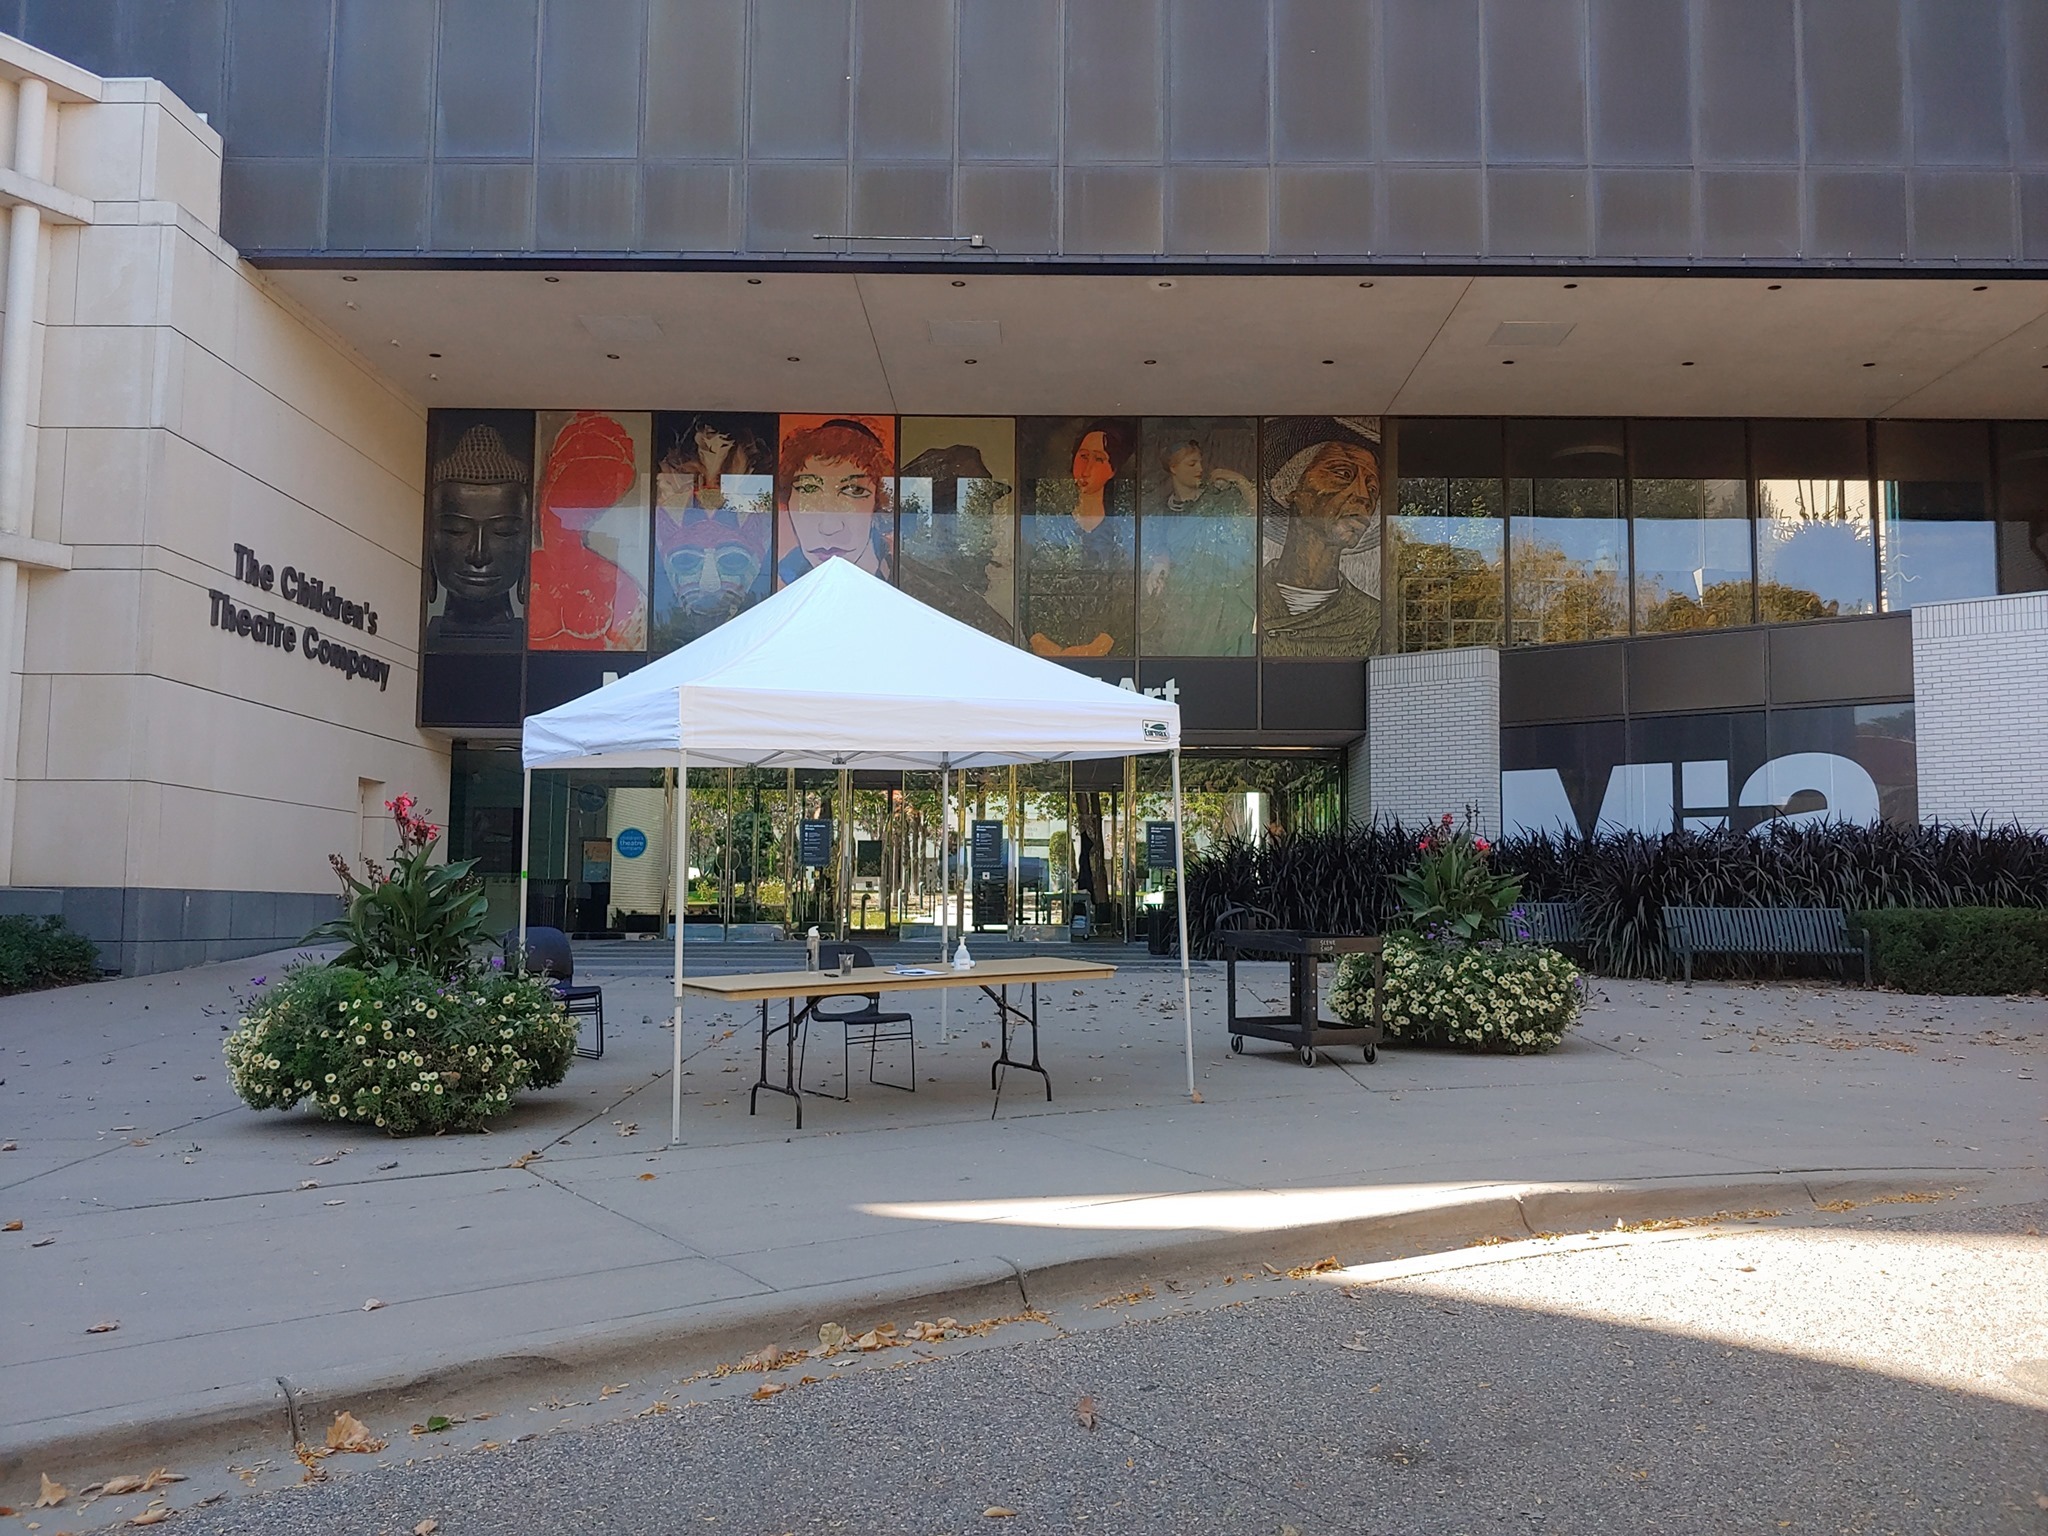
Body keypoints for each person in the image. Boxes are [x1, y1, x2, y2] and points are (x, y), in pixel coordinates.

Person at [1260, 426, 1383, 657]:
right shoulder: (1241, 599)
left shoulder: (1371, 620)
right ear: (1289, 486)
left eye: (1373, 488)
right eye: (1343, 474)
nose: (1364, 497)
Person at [1023, 420, 1135, 656]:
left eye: (1099, 459)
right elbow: (1027, 590)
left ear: (1113, 469)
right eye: (1083, 457)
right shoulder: (1050, 527)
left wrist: (1097, 647)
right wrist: (1041, 641)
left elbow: (1128, 601)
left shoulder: (1122, 533)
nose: (1087, 469)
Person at [1141, 437, 1256, 656]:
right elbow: (1160, 551)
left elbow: (1259, 518)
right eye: (1192, 464)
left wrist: (1239, 480)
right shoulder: (1163, 512)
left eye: (1200, 462)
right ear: (1173, 468)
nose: (1200, 469)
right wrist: (1159, 568)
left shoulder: (1220, 500)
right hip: (1185, 601)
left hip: (1223, 598)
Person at [425, 422, 529, 650]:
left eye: (503, 532)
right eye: (456, 531)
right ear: (428, 541)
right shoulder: (414, 645)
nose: (479, 554)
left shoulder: (528, 650)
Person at [897, 442, 1012, 638]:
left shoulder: (949, 591)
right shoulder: (917, 591)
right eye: (978, 516)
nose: (991, 540)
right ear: (940, 521)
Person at [776, 418, 894, 585]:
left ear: (877, 505)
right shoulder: (775, 580)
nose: (829, 527)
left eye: (855, 491)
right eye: (808, 489)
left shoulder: (906, 577)